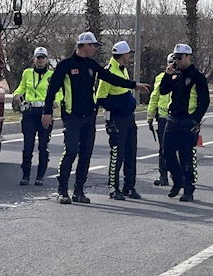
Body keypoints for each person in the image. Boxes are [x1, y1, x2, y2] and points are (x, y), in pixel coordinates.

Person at [43, 32, 150, 205]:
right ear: (86, 45)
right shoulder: (66, 65)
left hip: (89, 117)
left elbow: (110, 78)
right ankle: (62, 190)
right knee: (71, 151)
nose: (96, 49)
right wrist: (46, 112)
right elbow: (52, 89)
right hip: (72, 116)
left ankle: (79, 190)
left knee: (86, 154)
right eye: (94, 46)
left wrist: (134, 85)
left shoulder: (92, 65)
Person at [158, 44, 210, 202]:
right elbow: (163, 91)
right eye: (175, 58)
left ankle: (188, 188)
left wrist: (195, 119)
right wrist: (168, 75)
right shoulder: (175, 74)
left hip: (188, 121)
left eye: (180, 58)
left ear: (188, 57)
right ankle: (177, 181)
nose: (177, 61)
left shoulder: (197, 76)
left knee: (186, 156)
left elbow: (205, 101)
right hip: (173, 119)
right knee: (166, 152)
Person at [96, 41, 142, 200]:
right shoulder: (109, 72)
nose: (129, 56)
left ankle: (129, 186)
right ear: (123, 55)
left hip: (129, 119)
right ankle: (113, 188)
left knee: (131, 152)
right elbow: (100, 97)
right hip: (117, 119)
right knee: (118, 154)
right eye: (128, 54)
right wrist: (117, 108)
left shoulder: (124, 71)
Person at [13, 47, 62, 186]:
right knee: (28, 145)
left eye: (42, 58)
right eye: (38, 58)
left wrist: (56, 102)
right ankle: (25, 175)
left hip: (44, 112)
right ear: (34, 59)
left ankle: (40, 175)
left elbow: (59, 91)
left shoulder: (52, 75)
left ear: (46, 60)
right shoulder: (27, 73)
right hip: (29, 111)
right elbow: (22, 87)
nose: (40, 60)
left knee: (43, 145)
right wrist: (17, 94)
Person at [148, 53, 175, 187]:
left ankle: (176, 176)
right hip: (164, 118)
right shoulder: (160, 78)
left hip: (177, 118)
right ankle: (163, 176)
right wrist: (150, 115)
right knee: (163, 148)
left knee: (176, 148)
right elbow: (154, 97)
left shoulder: (183, 76)